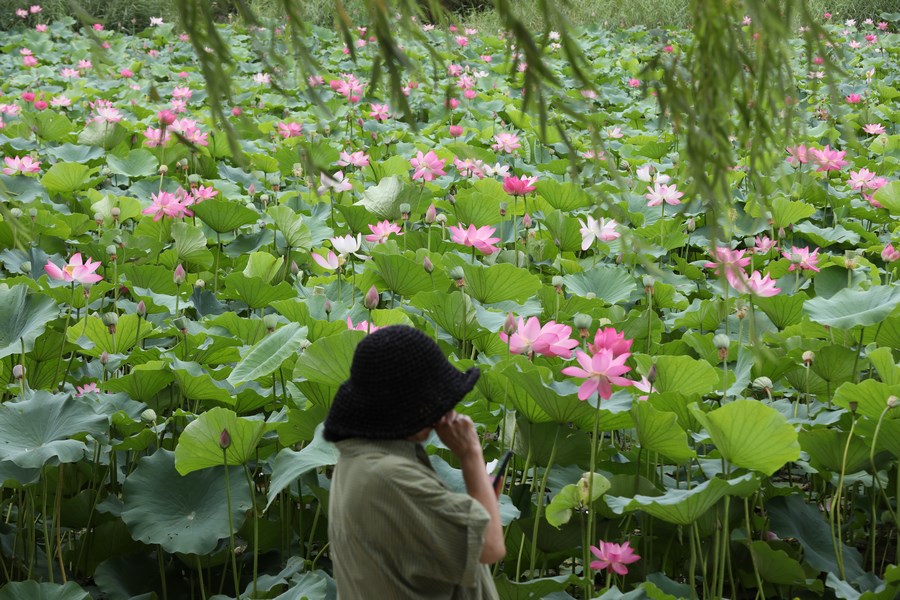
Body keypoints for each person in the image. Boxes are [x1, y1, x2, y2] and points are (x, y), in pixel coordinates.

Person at [324, 325, 504, 599]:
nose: (445, 408)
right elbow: (489, 547)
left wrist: (480, 500)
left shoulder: (358, 457)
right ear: (411, 406)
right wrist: (471, 454)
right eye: (434, 399)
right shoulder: (389, 477)